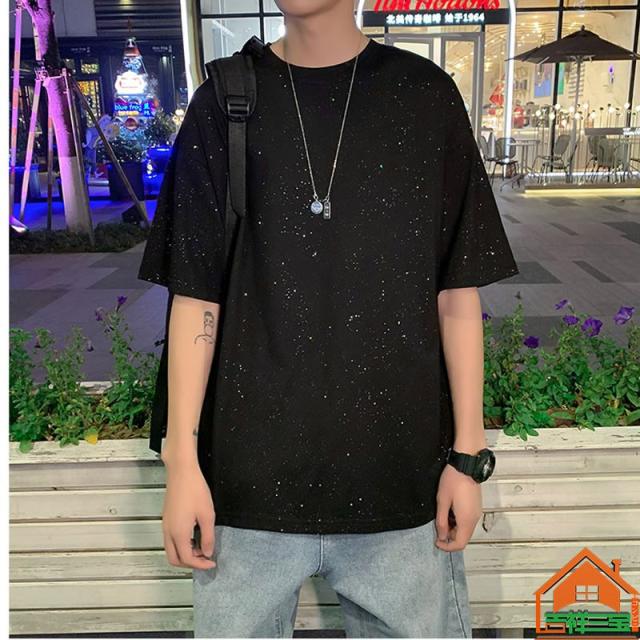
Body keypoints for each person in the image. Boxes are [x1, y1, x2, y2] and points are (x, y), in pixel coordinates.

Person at [136, 1, 519, 637]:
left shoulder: (424, 97)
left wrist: (467, 456)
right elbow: (197, 298)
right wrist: (181, 464)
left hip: (401, 486)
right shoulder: (224, 101)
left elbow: (456, 292)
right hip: (243, 492)